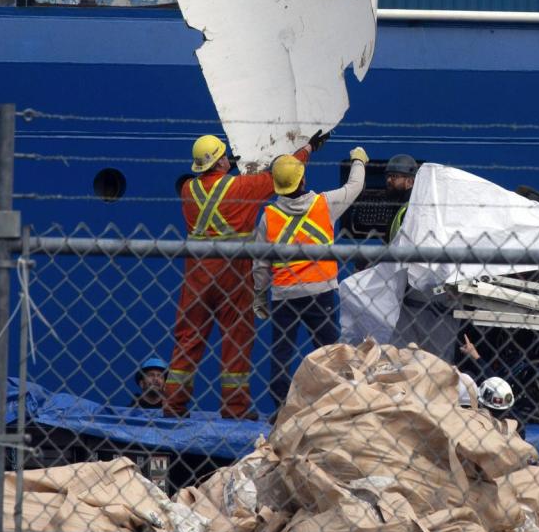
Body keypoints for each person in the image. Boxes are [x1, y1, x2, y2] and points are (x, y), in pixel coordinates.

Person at [165, 129, 330, 419]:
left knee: (189, 335)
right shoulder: (241, 188)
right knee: (236, 337)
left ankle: (174, 405)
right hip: (234, 270)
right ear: (219, 163)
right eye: (224, 156)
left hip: (197, 271)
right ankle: (235, 408)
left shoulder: (187, 190)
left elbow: (215, 190)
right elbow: (277, 176)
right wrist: (307, 149)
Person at [253, 146, 368, 414]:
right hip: (322, 292)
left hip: (284, 295)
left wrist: (260, 295)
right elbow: (355, 185)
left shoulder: (269, 217)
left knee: (281, 354)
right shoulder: (324, 204)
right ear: (303, 179)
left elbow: (260, 262)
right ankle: (339, 403)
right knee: (330, 352)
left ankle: (282, 407)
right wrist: (358, 160)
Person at [383, 153, 419, 242]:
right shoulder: (401, 204)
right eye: (388, 175)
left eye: (394, 176)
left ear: (410, 181)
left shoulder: (411, 209)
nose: (388, 180)